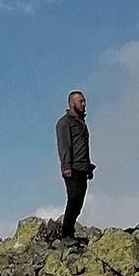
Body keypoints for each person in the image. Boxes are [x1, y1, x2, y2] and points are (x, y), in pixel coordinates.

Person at [55, 89, 92, 237]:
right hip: (72, 168)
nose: (84, 104)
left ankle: (69, 233)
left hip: (83, 168)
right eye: (80, 101)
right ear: (71, 103)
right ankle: (66, 234)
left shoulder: (81, 123)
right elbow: (64, 145)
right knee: (74, 200)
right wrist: (66, 167)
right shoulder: (64, 123)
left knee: (78, 203)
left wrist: (88, 167)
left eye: (84, 101)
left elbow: (83, 146)